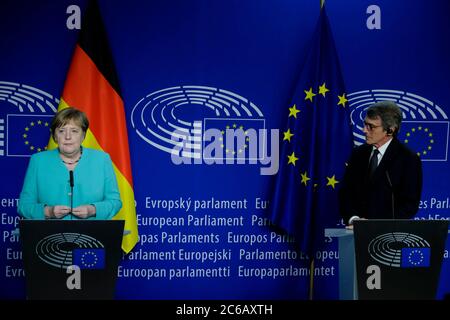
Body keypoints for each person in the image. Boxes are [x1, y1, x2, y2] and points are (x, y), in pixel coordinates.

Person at [18, 107, 122, 220]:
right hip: (50, 234)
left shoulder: (102, 159)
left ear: (83, 135)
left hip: (92, 234)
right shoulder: (38, 161)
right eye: (61, 131)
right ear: (55, 136)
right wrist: (49, 211)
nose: (68, 137)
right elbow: (24, 206)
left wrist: (92, 210)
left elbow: (115, 202)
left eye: (74, 131)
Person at [339, 101, 422, 226]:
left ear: (390, 130)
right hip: (353, 233)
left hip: (387, 235)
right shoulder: (358, 154)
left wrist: (376, 224)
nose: (364, 130)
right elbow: (346, 193)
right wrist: (353, 219)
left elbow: (409, 205)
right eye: (365, 124)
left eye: (371, 126)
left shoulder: (408, 159)